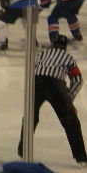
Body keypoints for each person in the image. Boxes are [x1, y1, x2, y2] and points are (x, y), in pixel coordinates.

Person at [17, 34, 87, 166]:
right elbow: (78, 80)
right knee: (70, 121)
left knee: (30, 117)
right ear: (65, 47)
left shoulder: (42, 54)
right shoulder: (68, 58)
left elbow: (32, 71)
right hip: (55, 85)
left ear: (53, 44)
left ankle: (23, 151)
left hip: (35, 82)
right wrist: (69, 100)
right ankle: (81, 158)